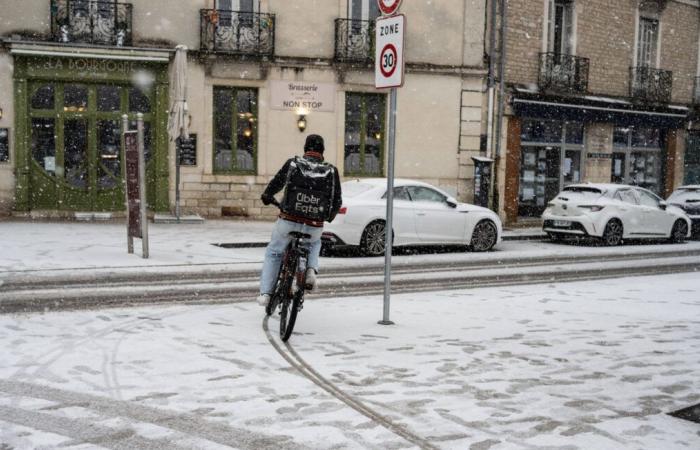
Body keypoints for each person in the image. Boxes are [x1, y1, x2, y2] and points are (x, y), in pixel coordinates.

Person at [257, 134, 342, 307]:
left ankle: (265, 294)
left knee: (274, 252)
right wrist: (329, 216)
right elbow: (337, 200)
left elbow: (276, 184)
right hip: (314, 225)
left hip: (288, 220)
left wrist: (267, 195)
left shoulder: (293, 164)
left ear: (305, 149)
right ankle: (310, 271)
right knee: (314, 243)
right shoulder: (331, 171)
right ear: (322, 151)